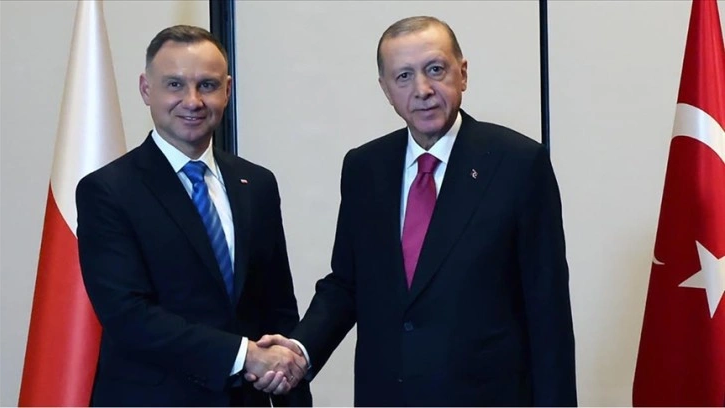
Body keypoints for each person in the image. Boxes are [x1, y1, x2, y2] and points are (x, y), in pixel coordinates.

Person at [249, 16, 577, 406]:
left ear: (463, 73)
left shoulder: (518, 163)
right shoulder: (364, 168)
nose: (422, 90)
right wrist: (300, 350)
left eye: (435, 69)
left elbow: (547, 310)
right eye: (403, 76)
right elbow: (347, 284)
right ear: (386, 89)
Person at [76, 25, 311, 406]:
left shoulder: (257, 183)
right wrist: (244, 355)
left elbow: (278, 308)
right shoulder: (107, 190)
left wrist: (292, 393)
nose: (192, 101)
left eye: (207, 85)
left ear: (227, 90)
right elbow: (128, 315)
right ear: (146, 89)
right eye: (175, 84)